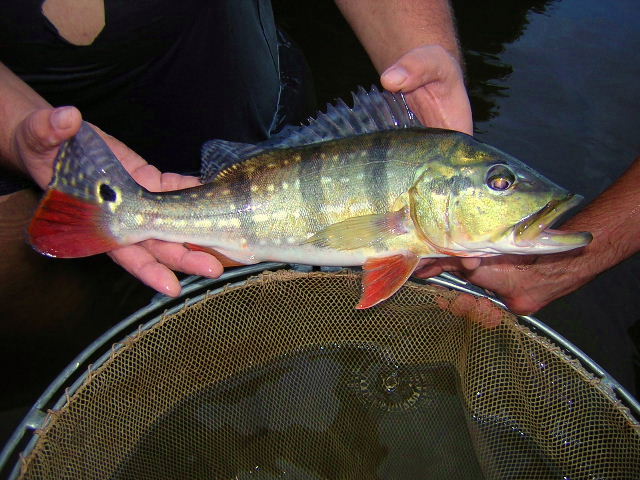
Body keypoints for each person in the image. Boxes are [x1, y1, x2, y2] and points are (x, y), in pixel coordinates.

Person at [0, 0, 471, 298]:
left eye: (498, 182)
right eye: (499, 182)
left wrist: (429, 54)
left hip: (245, 93)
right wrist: (17, 128)